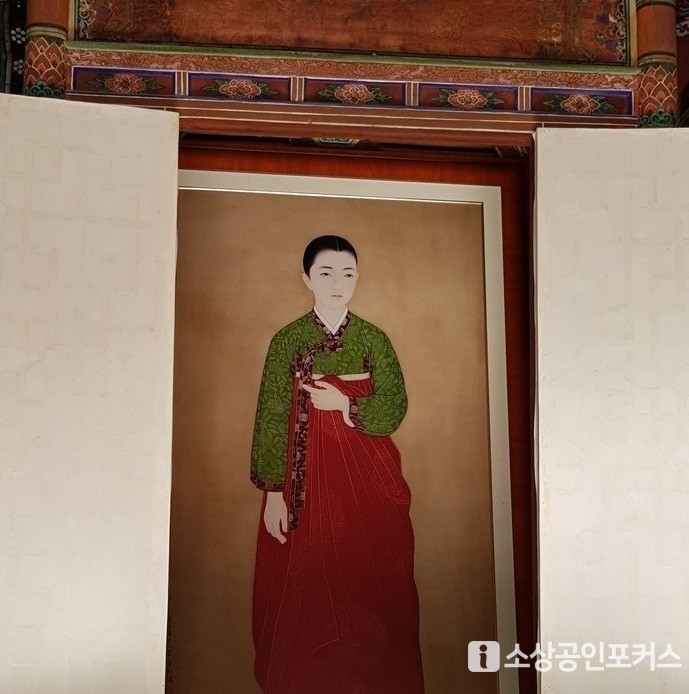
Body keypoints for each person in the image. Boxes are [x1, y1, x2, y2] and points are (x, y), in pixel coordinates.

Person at [250, 235, 424, 693]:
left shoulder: (373, 339)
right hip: (304, 485)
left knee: (372, 576)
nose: (337, 283)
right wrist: (274, 493)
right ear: (307, 278)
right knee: (304, 586)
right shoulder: (288, 341)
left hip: (366, 477)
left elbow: (394, 406)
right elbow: (271, 417)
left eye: (348, 274)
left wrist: (345, 405)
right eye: (326, 273)